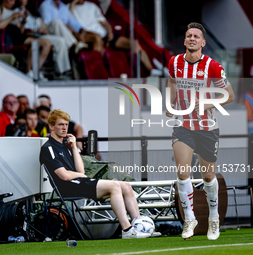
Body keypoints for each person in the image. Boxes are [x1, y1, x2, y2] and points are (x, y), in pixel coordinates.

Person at [166, 22, 235, 240]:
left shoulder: (213, 66)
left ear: (203, 43)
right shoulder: (175, 61)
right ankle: (189, 219)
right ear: (185, 40)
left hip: (206, 127)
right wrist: (170, 103)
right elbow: (172, 82)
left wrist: (207, 104)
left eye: (196, 36)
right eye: (188, 36)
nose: (192, 39)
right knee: (183, 172)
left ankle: (213, 218)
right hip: (183, 126)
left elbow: (229, 96)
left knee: (207, 176)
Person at [40, 109, 149, 239]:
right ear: (51, 126)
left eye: (66, 124)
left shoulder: (66, 146)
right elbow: (64, 176)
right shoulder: (48, 148)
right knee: (114, 186)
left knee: (125, 185)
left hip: (78, 182)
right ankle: (127, 230)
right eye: (60, 124)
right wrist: (81, 176)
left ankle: (139, 227)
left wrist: (74, 147)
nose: (64, 128)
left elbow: (81, 171)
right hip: (67, 188)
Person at [69, 0, 156, 74]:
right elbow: (68, 20)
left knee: (135, 43)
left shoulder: (92, 6)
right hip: (90, 37)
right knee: (97, 39)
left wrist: (109, 31)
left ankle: (153, 72)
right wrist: (72, 4)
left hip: (104, 35)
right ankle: (99, 74)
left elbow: (104, 23)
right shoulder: (68, 8)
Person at [0, 0, 52, 79]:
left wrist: (23, 21)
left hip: (19, 35)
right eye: (10, 0)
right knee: (45, 43)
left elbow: (21, 30)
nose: (12, 3)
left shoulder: (15, 10)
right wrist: (11, 17)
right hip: (8, 37)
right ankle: (34, 71)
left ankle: (33, 71)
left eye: (13, 1)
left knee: (45, 43)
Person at [18, 0, 72, 76]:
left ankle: (61, 72)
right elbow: (21, 31)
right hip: (30, 36)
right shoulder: (17, 12)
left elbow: (41, 24)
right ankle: (35, 71)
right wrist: (35, 30)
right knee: (53, 39)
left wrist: (44, 29)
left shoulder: (31, 12)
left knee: (61, 40)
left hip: (40, 34)